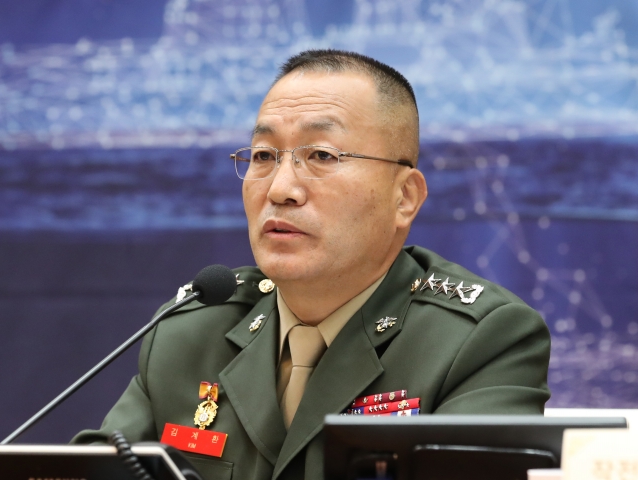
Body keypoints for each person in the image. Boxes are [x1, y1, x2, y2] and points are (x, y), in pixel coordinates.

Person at [73, 50, 550, 480]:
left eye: (321, 155)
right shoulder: (189, 331)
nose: (280, 188)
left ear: (404, 197)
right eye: (263, 156)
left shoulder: (480, 341)